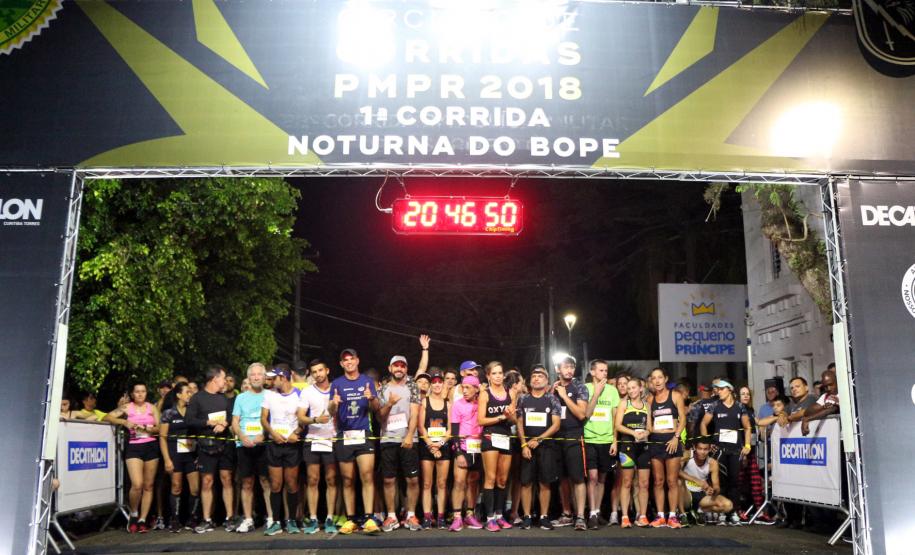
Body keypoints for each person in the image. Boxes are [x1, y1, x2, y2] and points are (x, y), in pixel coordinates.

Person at [328, 348, 382, 534]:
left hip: (363, 434)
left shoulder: (367, 382)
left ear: (357, 361)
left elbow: (375, 408)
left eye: (352, 359)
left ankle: (369, 518)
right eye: (345, 360)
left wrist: (371, 398)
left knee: (367, 475)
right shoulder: (336, 384)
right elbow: (331, 412)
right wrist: (333, 403)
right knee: (347, 479)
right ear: (341, 364)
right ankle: (350, 519)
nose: (349, 362)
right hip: (344, 435)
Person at [185, 365, 237, 533]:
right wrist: (208, 422)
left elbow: (231, 416)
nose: (225, 382)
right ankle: (207, 519)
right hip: (206, 445)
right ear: (214, 379)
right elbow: (189, 420)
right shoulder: (197, 398)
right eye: (223, 378)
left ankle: (230, 518)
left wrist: (225, 423)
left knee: (226, 479)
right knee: (207, 481)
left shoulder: (224, 398)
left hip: (225, 444)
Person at [105, 382, 161, 533]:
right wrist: (124, 421)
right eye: (137, 391)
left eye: (143, 391)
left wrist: (148, 429)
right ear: (132, 394)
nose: (140, 394)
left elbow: (159, 427)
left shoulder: (152, 408)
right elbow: (107, 417)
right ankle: (134, 514)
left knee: (148, 485)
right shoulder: (127, 407)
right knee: (137, 484)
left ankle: (143, 519)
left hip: (151, 446)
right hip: (134, 447)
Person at [378, 354, 422, 532]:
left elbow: (415, 412)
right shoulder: (383, 389)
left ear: (406, 369)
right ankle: (391, 516)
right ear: (390, 368)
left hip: (408, 439)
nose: (399, 368)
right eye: (396, 365)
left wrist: (410, 435)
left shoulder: (412, 387)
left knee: (412, 479)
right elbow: (379, 416)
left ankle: (411, 515)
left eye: (402, 366)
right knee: (388, 479)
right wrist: (389, 403)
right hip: (388, 438)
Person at [700, 379, 751, 526]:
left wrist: (747, 445)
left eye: (722, 389)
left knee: (734, 482)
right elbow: (703, 423)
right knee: (720, 482)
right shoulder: (715, 405)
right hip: (719, 450)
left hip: (735, 450)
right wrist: (707, 442)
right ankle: (721, 512)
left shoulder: (740, 406)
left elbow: (747, 427)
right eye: (717, 389)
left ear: (730, 390)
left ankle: (733, 512)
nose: (719, 392)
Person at [516, 365, 562, 530]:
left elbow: (556, 425)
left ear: (547, 381)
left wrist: (539, 439)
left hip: (546, 446)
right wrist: (523, 444)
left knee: (545, 483)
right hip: (527, 447)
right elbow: (519, 423)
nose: (536, 378)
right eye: (534, 376)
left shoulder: (552, 399)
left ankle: (543, 516)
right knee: (526, 483)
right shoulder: (523, 399)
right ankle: (527, 516)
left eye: (540, 376)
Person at [261, 367, 304, 535]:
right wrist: (273, 434)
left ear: (283, 377)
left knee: (292, 484)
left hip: (292, 445)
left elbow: (303, 419)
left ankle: (292, 520)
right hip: (274, 444)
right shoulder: (269, 394)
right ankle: (276, 522)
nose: (270, 381)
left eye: (274, 378)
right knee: (276, 484)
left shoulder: (299, 394)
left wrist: (296, 433)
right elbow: (263, 419)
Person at [300, 359, 339, 534]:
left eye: (320, 370)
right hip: (313, 439)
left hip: (332, 440)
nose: (318, 374)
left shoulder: (336, 389)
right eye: (314, 372)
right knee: (312, 479)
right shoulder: (307, 391)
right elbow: (301, 417)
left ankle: (330, 517)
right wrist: (315, 419)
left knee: (331, 479)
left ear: (327, 370)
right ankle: (314, 518)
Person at [551, 356, 590, 531]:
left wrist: (564, 396)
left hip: (574, 436)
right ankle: (567, 513)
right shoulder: (553, 388)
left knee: (578, 477)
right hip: (557, 436)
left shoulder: (579, 387)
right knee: (563, 478)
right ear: (558, 369)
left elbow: (581, 414)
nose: (569, 370)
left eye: (572, 367)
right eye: (565, 367)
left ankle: (580, 516)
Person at [478, 361, 517, 532]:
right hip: (490, 436)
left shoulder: (511, 393)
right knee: (491, 478)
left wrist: (510, 416)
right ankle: (489, 518)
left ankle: (500, 515)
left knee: (502, 480)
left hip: (505, 436)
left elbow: (514, 420)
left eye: (500, 373)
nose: (498, 376)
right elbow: (481, 420)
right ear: (488, 376)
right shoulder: (485, 394)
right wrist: (501, 417)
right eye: (494, 373)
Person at [231, 363, 269, 534]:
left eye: (259, 374)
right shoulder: (240, 398)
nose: (256, 377)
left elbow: (274, 420)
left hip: (263, 445)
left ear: (264, 377)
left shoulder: (270, 396)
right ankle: (248, 519)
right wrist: (241, 436)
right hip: (244, 445)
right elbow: (234, 422)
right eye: (252, 374)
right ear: (248, 377)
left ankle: (271, 518)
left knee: (266, 481)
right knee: (246, 482)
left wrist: (264, 435)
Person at [646, 368, 687, 529]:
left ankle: (673, 516)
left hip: (672, 441)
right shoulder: (650, 399)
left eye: (660, 377)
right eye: (654, 378)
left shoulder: (675, 396)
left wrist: (676, 437)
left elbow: (683, 419)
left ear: (665, 379)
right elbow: (649, 424)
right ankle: (660, 516)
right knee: (658, 481)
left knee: (672, 481)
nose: (657, 381)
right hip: (656, 441)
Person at [583, 359, 620, 529]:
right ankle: (591, 513)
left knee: (603, 478)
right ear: (592, 372)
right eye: (601, 370)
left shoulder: (612, 391)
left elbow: (615, 418)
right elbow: (586, 413)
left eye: (606, 370)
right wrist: (596, 393)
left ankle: (597, 512)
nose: (604, 373)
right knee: (592, 477)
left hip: (607, 440)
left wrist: (614, 440)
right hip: (590, 439)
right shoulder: (585, 389)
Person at [159, 382, 200, 533]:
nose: (190, 394)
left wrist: (199, 454)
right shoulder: (169, 413)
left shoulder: (193, 411)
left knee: (195, 488)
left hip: (191, 453)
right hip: (174, 454)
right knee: (176, 487)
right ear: (178, 395)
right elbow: (162, 437)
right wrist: (167, 459)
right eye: (187, 392)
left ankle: (192, 518)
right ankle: (174, 520)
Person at [613, 377, 651, 528]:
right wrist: (633, 433)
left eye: (633, 387)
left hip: (643, 447)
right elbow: (617, 425)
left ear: (641, 388)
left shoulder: (647, 405)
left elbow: (650, 427)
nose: (631, 391)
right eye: (628, 388)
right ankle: (625, 516)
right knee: (627, 482)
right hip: (627, 446)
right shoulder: (624, 403)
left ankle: (642, 515)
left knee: (644, 483)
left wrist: (645, 433)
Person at [449, 374, 484, 532]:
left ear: (476, 389)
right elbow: (454, 431)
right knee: (459, 482)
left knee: (473, 482)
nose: (464, 391)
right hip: (463, 448)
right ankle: (457, 517)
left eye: (468, 388)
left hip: (478, 448)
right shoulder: (457, 405)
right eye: (463, 387)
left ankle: (470, 514)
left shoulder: (482, 403)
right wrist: (458, 453)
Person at [418, 368, 451, 529]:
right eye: (434, 382)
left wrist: (440, 443)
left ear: (443, 384)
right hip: (427, 446)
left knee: (442, 483)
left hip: (443, 446)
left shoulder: (448, 404)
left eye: (440, 382)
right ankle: (426, 516)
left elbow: (450, 429)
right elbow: (420, 427)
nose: (437, 385)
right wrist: (431, 444)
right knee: (427, 483)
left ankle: (441, 517)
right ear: (431, 385)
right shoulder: (425, 402)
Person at [680, 440, 733, 524]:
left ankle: (698, 511)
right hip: (685, 493)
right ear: (694, 448)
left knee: (728, 505)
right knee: (678, 481)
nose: (702, 452)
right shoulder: (687, 455)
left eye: (705, 449)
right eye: (700, 449)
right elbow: (675, 471)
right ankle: (682, 513)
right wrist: (696, 480)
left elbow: (716, 486)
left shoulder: (712, 463)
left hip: (701, 494)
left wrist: (713, 490)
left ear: (709, 449)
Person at [737, 386, 766, 522]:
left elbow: (759, 423)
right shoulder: (737, 410)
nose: (745, 396)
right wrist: (743, 450)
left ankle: (760, 511)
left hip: (752, 451)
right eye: (743, 394)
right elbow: (739, 432)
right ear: (738, 396)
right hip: (741, 451)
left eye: (747, 394)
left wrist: (776, 416)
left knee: (755, 483)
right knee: (739, 483)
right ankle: (738, 511)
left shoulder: (751, 410)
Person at [802, 369, 839, 436]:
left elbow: (832, 409)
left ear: (837, 382)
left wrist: (807, 419)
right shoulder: (825, 396)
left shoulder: (843, 393)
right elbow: (807, 412)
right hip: (829, 435)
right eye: (825, 386)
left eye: (831, 384)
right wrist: (823, 407)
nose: (828, 388)